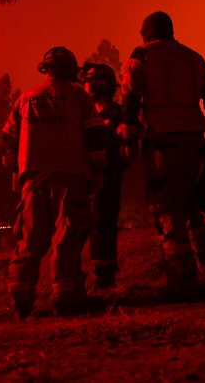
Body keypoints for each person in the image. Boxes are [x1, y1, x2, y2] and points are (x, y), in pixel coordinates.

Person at [119, 11, 205, 295]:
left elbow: (129, 95)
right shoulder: (193, 57)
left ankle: (181, 277)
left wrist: (128, 137)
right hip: (193, 140)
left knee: (166, 207)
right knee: (190, 203)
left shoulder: (141, 55)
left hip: (160, 141)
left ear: (146, 32)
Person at [3, 46, 106, 318]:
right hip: (70, 173)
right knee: (67, 235)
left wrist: (16, 167)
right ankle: (65, 295)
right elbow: (95, 137)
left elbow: (8, 138)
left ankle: (20, 294)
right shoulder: (79, 98)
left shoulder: (26, 98)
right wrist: (99, 169)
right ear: (72, 72)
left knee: (30, 234)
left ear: (45, 70)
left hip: (33, 173)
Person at [80, 62, 126, 289]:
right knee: (82, 223)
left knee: (102, 222)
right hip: (83, 175)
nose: (85, 89)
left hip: (107, 175)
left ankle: (103, 274)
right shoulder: (83, 114)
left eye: (87, 84)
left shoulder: (116, 113)